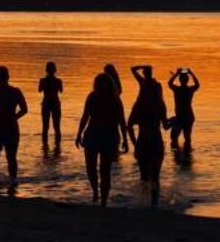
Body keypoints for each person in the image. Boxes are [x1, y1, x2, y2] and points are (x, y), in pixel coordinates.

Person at [75, 71, 127, 206]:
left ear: (109, 85)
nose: (102, 86)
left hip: (109, 136)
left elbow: (122, 120)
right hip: (92, 135)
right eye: (100, 83)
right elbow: (85, 116)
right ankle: (95, 192)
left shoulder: (115, 99)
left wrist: (125, 139)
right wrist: (78, 134)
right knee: (90, 167)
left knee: (105, 170)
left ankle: (103, 200)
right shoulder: (92, 97)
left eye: (105, 84)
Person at [129, 65, 169, 206]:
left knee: (144, 176)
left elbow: (129, 125)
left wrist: (134, 143)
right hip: (156, 142)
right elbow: (166, 126)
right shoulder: (160, 105)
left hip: (142, 141)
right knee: (155, 177)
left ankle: (143, 202)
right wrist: (174, 120)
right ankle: (154, 203)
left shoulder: (138, 105)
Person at [167, 67, 200, 154]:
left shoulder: (177, 90)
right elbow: (197, 85)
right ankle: (186, 156)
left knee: (174, 137)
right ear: (187, 80)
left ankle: (178, 155)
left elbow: (169, 83)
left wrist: (176, 74)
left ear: (180, 80)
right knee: (187, 137)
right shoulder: (189, 90)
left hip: (182, 117)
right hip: (188, 116)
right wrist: (191, 73)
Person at [36, 61, 65, 150]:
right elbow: (61, 90)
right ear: (55, 70)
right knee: (55, 127)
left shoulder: (44, 80)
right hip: (53, 104)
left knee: (47, 127)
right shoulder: (57, 81)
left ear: (46, 70)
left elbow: (39, 90)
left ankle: (47, 147)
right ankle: (56, 147)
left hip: (48, 104)